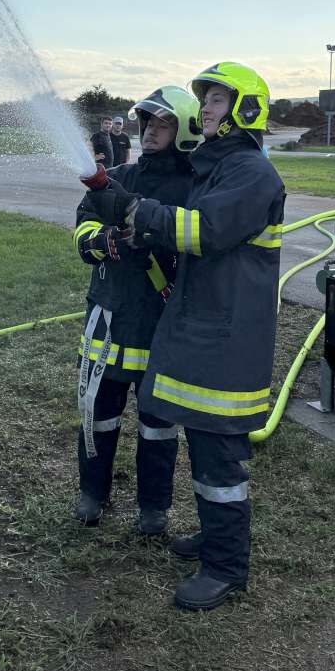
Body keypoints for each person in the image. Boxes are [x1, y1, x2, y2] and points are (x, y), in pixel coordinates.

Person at [85, 62, 284, 610]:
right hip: (206, 325)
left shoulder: (251, 172)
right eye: (208, 100)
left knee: (219, 451)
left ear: (246, 110)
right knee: (199, 436)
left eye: (218, 100)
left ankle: (226, 566)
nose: (208, 110)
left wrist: (135, 210)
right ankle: (214, 539)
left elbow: (202, 230)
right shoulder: (218, 167)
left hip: (229, 333)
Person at [73, 86, 202, 534]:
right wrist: (97, 241)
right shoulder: (119, 175)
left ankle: (154, 507)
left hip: (160, 325)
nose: (150, 131)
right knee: (98, 413)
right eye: (147, 123)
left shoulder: (196, 187)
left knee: (158, 426)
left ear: (185, 129)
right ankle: (93, 491)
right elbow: (83, 221)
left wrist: (156, 237)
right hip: (107, 316)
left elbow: (198, 243)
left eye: (162, 123)